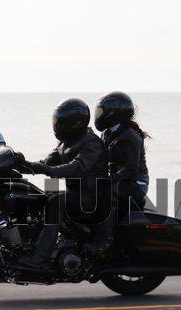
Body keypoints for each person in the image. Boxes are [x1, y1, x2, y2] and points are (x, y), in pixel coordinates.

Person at [18, 98, 108, 272]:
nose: (57, 126)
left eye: (61, 122)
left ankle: (39, 258)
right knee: (39, 198)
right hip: (76, 194)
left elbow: (77, 167)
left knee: (55, 202)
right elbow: (46, 162)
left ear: (75, 123)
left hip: (92, 197)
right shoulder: (67, 142)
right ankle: (32, 245)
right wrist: (20, 164)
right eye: (56, 121)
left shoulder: (91, 143)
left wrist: (48, 170)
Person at [83, 91, 150, 254]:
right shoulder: (107, 133)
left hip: (136, 183)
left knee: (108, 193)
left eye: (102, 112)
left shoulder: (130, 137)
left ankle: (105, 241)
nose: (99, 115)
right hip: (120, 180)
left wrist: (110, 180)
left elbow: (131, 169)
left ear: (114, 113)